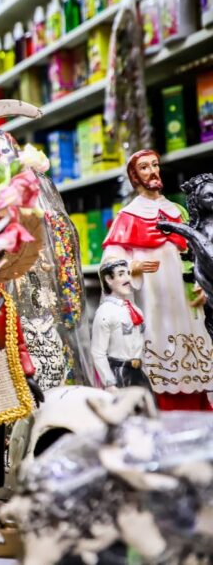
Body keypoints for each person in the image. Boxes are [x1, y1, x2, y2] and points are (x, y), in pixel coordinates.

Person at [101, 149, 212, 410]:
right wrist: (132, 267)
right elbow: (110, 262)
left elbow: (200, 253)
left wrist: (203, 283)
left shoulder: (178, 212)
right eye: (144, 167)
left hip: (187, 305)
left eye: (155, 165)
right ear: (135, 176)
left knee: (197, 358)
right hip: (154, 305)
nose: (152, 171)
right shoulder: (128, 216)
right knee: (161, 357)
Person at [92, 258, 151, 392]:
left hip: (138, 373)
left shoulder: (135, 310)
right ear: (108, 279)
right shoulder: (105, 312)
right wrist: (109, 382)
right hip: (119, 373)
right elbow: (98, 352)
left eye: (128, 273)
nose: (128, 279)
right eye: (121, 274)